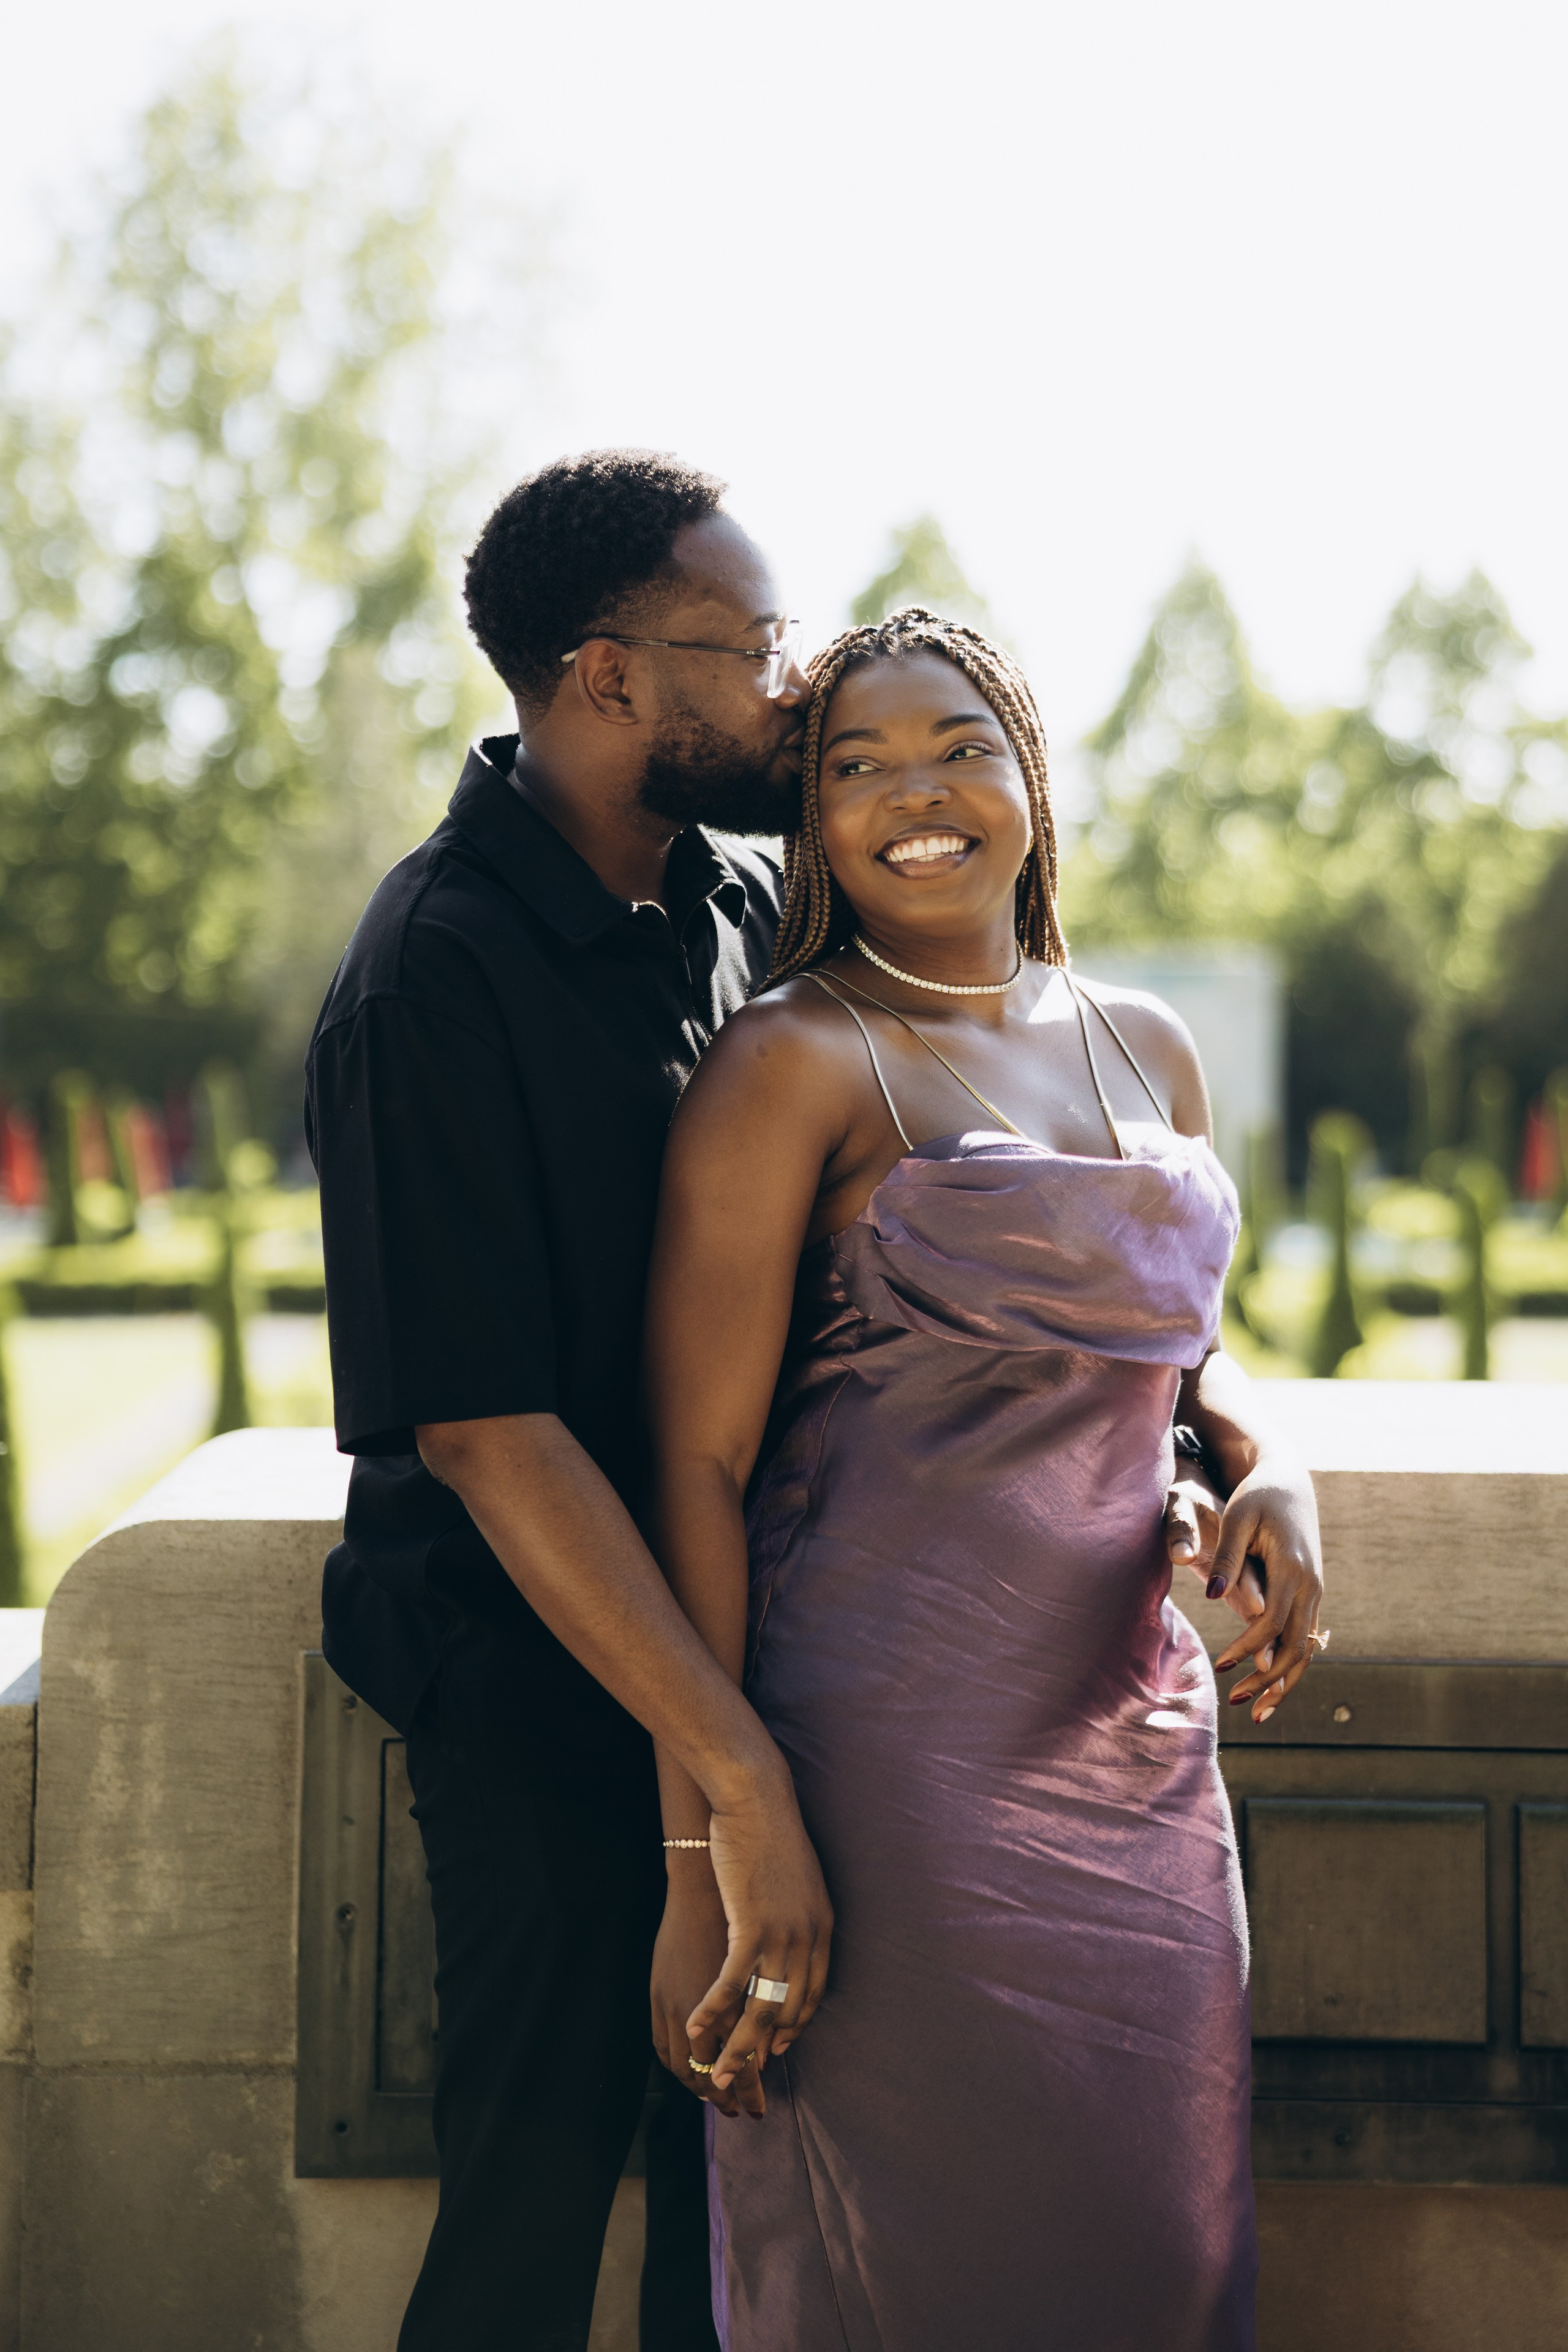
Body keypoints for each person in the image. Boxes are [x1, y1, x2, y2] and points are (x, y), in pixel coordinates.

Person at [642, 606, 1327, 2350]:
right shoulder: (793, 1059)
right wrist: (705, 1848)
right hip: (884, 1778)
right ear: (814, 829)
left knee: (1155, 2252)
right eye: (854, 767)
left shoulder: (1142, 1043)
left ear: (1029, 771)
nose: (914, 794)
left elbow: (1182, 1348)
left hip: (1142, 1761)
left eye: (958, 745)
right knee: (902, 2270)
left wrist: (1278, 1462)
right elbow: (699, 1468)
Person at [304, 450, 835, 2352]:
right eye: (754, 645)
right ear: (608, 677)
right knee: (528, 2232)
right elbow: (488, 1435)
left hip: (750, 1635)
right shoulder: (428, 977)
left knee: (743, 2220)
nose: (790, 685)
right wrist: (731, 1769)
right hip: (539, 1686)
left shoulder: (744, 903)